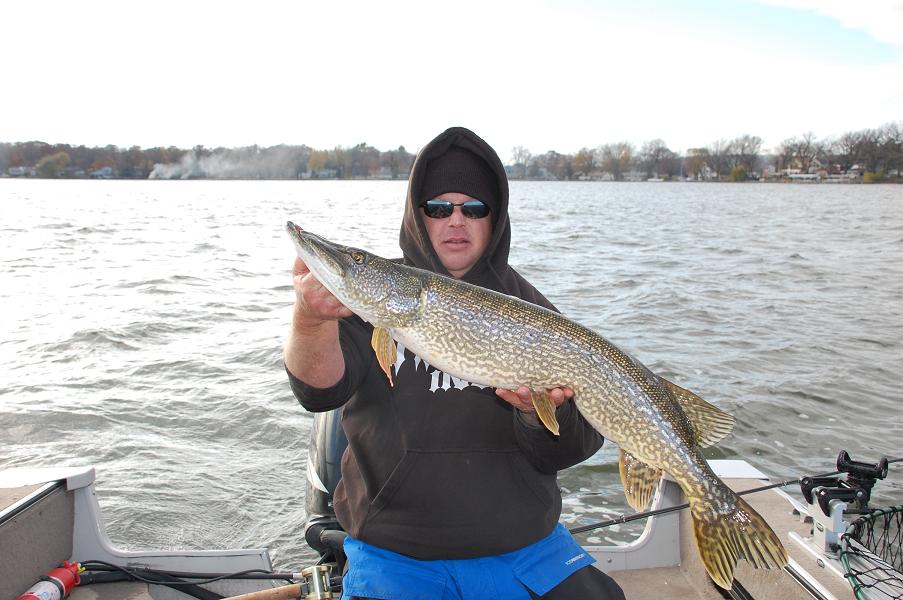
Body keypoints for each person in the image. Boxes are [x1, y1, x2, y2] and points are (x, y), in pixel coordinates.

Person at [284, 126, 625, 599]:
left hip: (524, 544)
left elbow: (572, 448)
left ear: (494, 217)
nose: (456, 220)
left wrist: (536, 413)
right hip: (394, 551)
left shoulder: (531, 310)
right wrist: (309, 320)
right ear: (418, 215)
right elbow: (318, 392)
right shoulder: (365, 310)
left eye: (474, 208)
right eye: (439, 208)